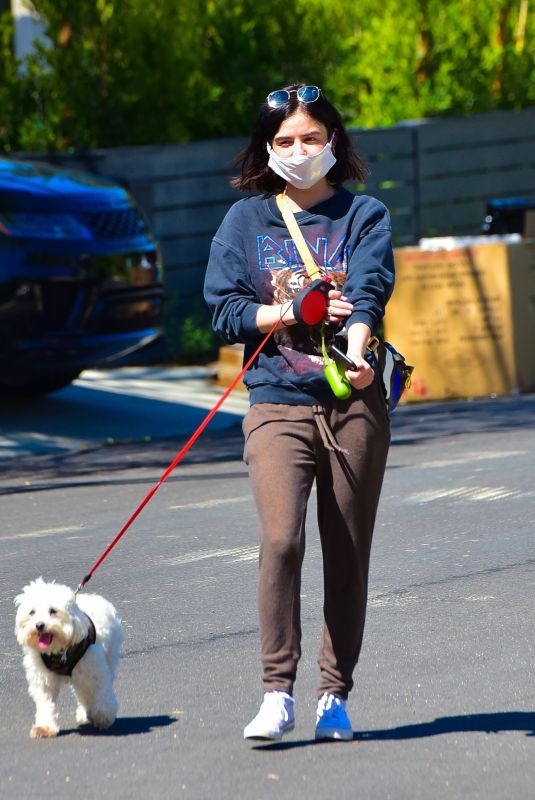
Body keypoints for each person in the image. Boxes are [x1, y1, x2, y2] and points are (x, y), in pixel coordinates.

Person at [203, 83, 394, 741]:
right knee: (281, 539)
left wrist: (357, 354)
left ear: (334, 141)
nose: (298, 150)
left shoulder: (363, 213)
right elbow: (223, 308)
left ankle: (333, 695)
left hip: (351, 400)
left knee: (346, 550)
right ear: (266, 147)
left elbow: (367, 292)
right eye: (283, 140)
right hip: (277, 400)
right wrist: (286, 312)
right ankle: (276, 691)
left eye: (311, 137)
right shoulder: (246, 222)